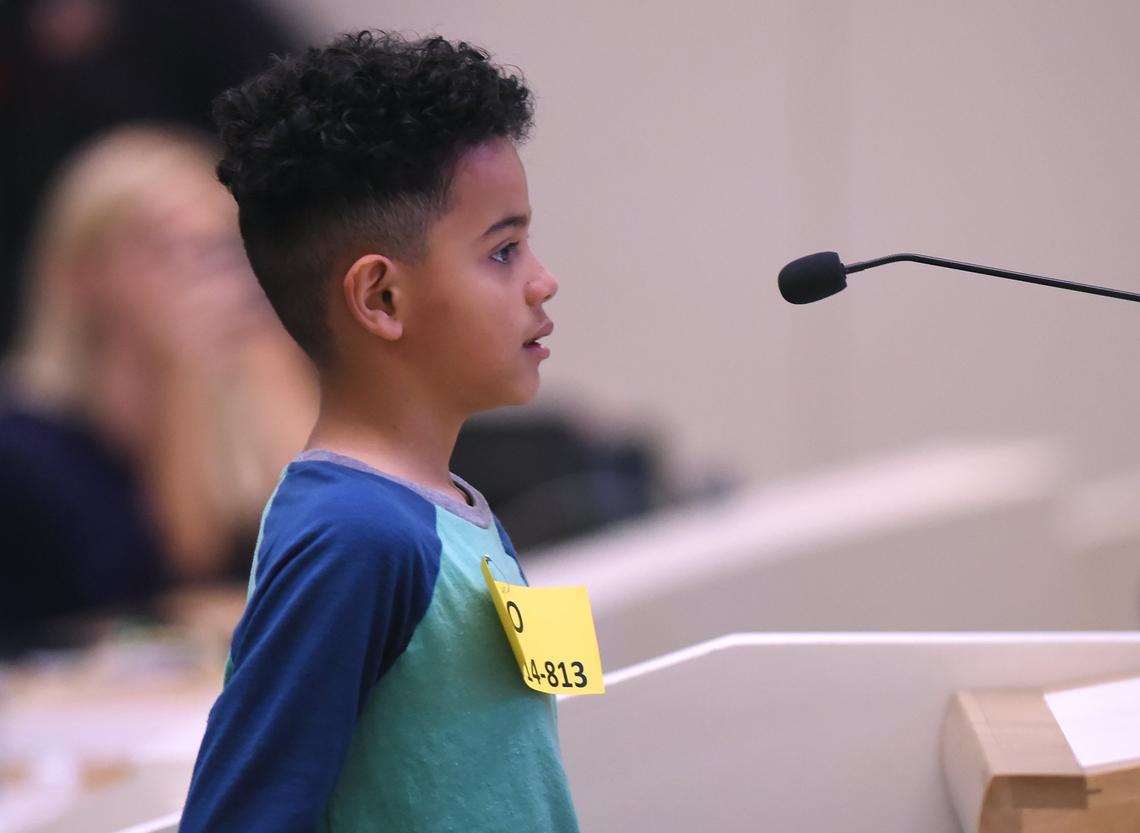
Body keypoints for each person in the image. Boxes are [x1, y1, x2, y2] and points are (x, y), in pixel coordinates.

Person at [180, 32, 578, 832]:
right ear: (382, 300)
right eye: (502, 250)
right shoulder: (353, 537)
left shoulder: (445, 504)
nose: (543, 278)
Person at [0, 125, 315, 635]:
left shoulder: (250, 406)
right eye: (166, 246)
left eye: (218, 249)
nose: (206, 279)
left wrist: (278, 376)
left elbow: (317, 562)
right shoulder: (26, 449)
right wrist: (183, 384)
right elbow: (144, 595)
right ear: (83, 272)